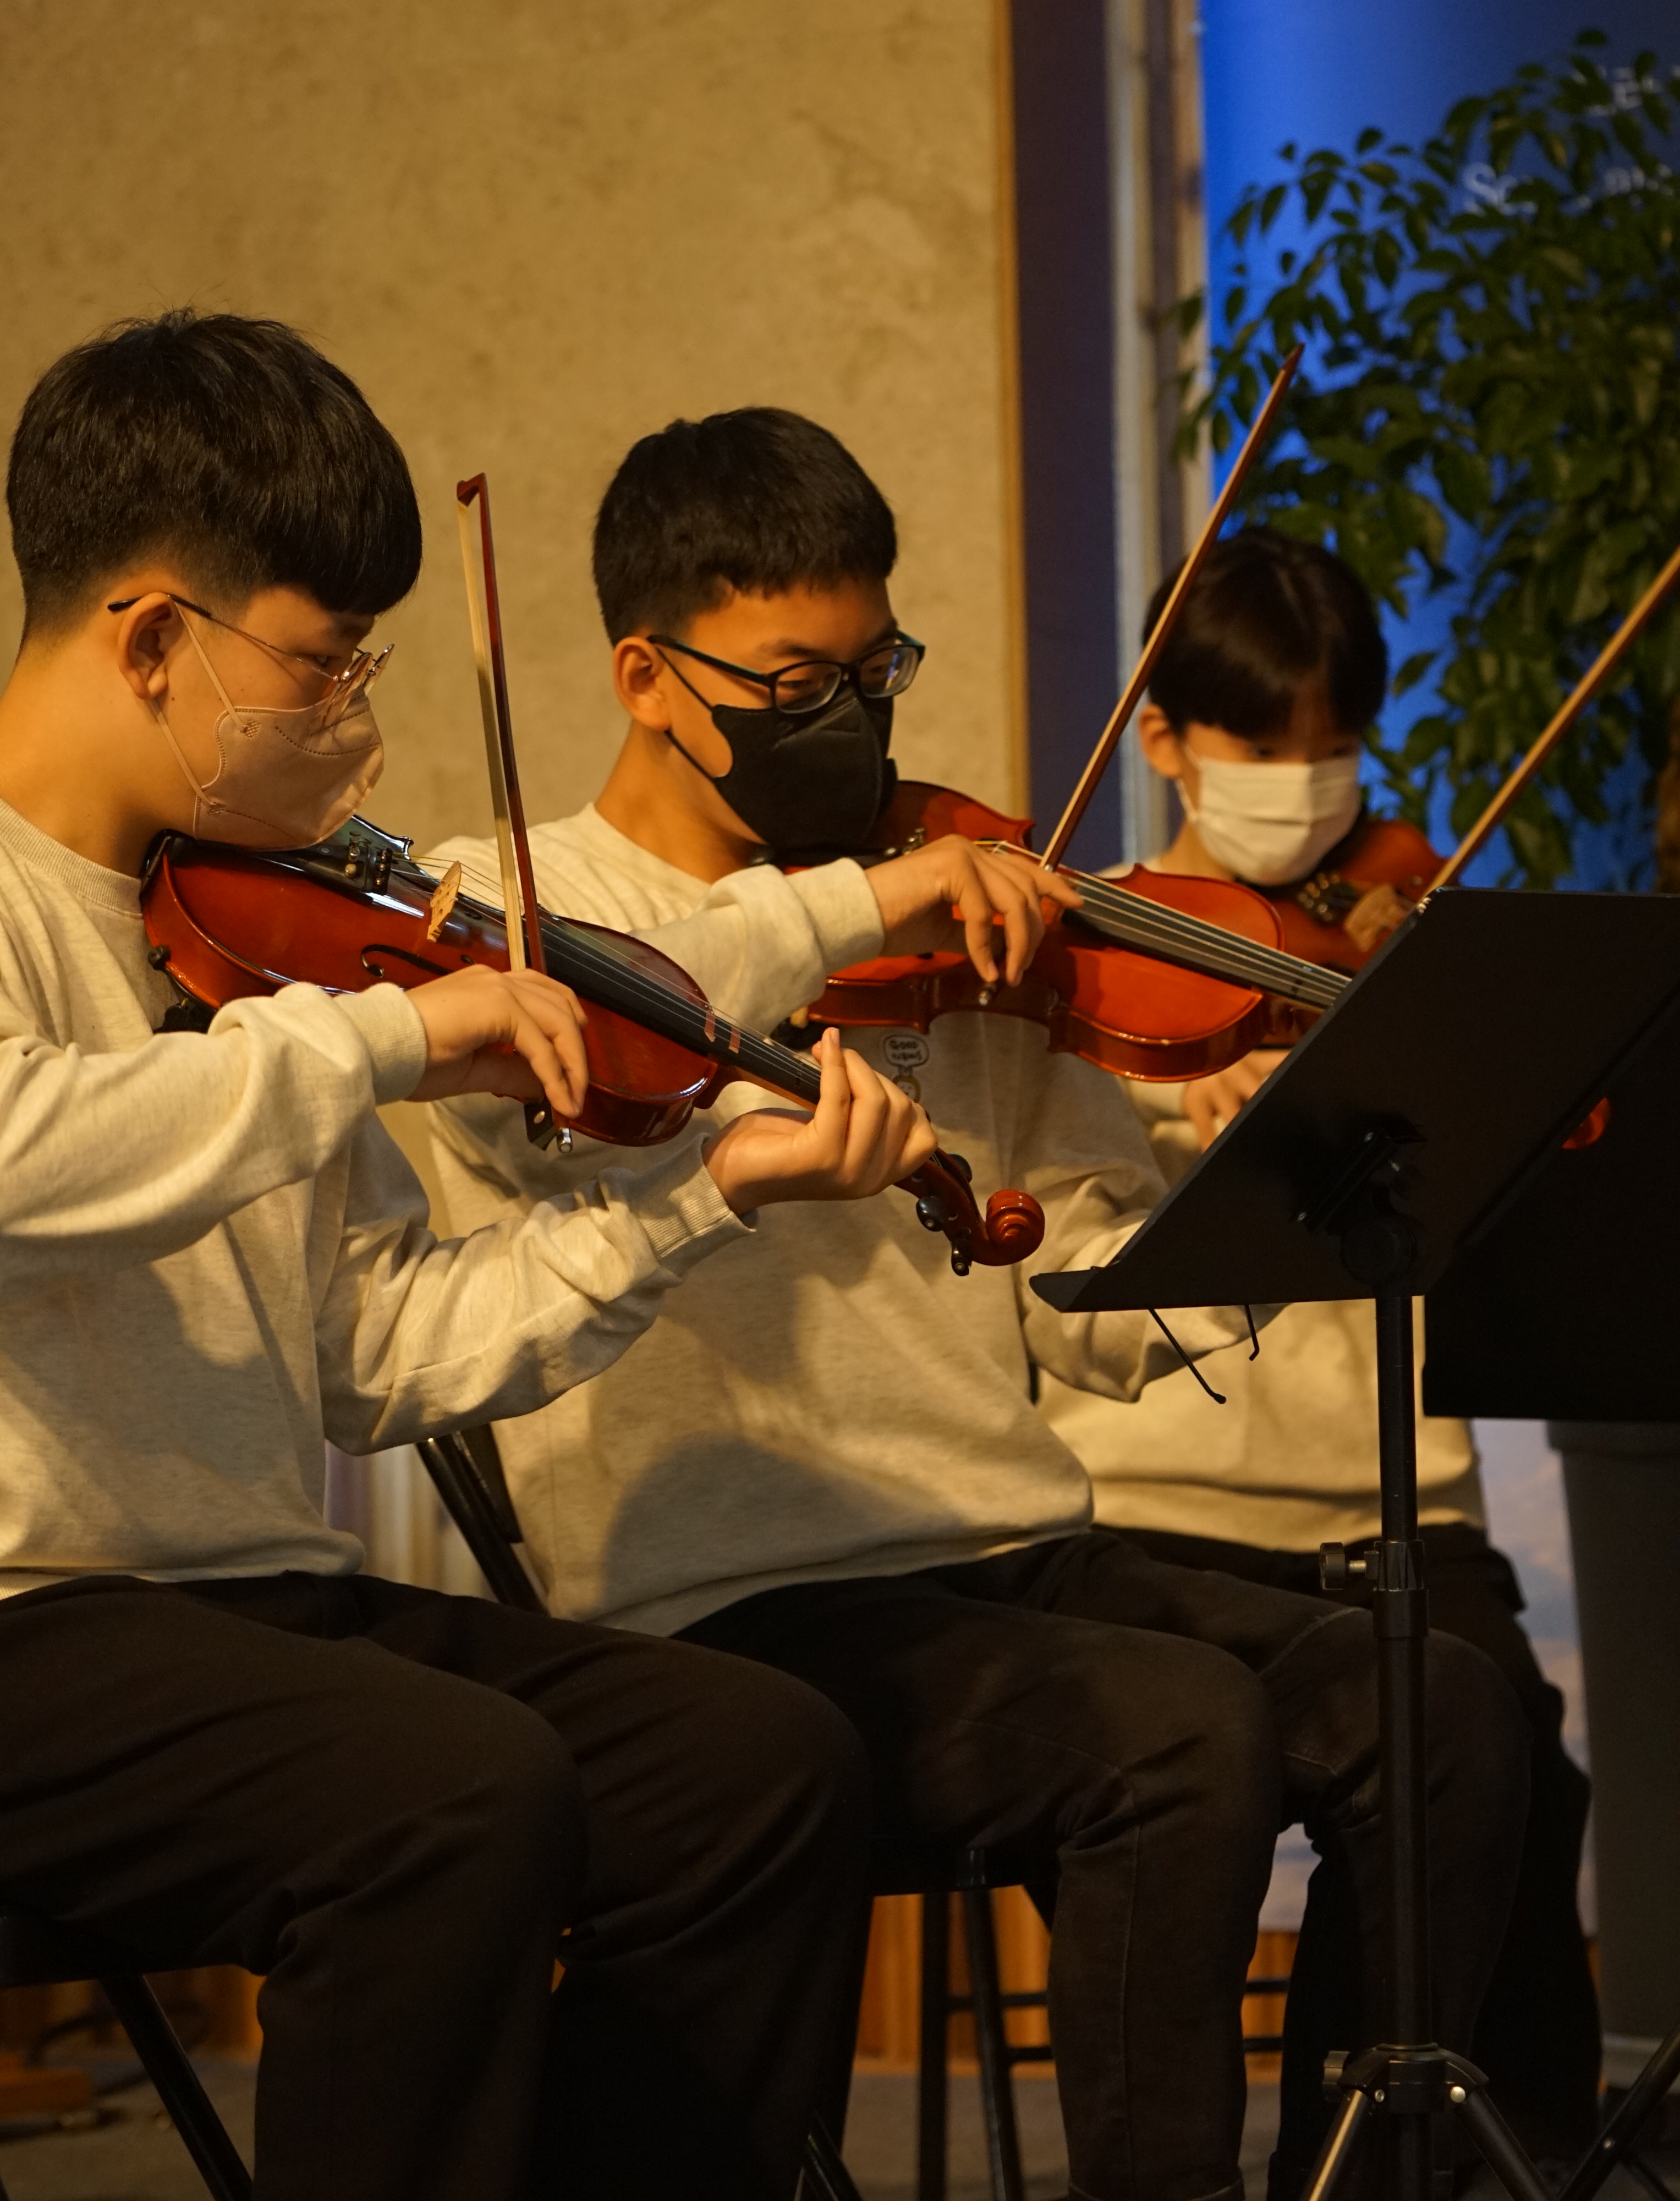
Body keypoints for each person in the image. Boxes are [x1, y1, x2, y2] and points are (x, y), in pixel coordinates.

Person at [0, 313, 946, 2201]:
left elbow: (376, 1348)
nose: (351, 716)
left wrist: (704, 1198)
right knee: (453, 1796)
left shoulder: (246, 938)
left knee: (759, 1767)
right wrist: (385, 1039)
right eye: (321, 664)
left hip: (233, 1611)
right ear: (155, 639)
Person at [415, 407, 1530, 2201]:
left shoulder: (951, 927)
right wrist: (861, 903)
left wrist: (1248, 1197)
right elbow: (603, 1032)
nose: (852, 723)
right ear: (647, 675)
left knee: (1445, 1704)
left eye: (878, 673)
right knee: (1177, 1734)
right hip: (723, 1604)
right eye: (797, 684)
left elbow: (1084, 1294)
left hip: (1004, 1548)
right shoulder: (508, 911)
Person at [1037, 527, 1602, 2168]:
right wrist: (1169, 1121)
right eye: (1261, 747)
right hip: (1151, 1508)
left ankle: (1377, 2165)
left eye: (1335, 746)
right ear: (1161, 738)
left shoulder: (1401, 935)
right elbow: (1035, 1236)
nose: (1307, 789)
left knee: (1512, 1771)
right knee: (1204, 1791)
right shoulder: (1078, 953)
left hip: (1395, 1497)